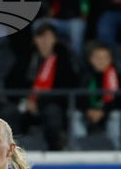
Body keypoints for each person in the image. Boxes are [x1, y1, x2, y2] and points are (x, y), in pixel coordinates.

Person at [6, 24, 78, 152]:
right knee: (7, 113)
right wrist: (24, 101)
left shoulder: (64, 59)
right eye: (40, 37)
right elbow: (11, 84)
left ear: (55, 39)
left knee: (53, 113)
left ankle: (55, 152)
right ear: (35, 40)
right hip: (26, 103)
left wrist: (39, 103)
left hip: (51, 104)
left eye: (48, 37)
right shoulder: (26, 57)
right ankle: (12, 153)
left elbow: (65, 89)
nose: (44, 41)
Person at [73, 42, 121, 150]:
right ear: (91, 59)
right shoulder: (83, 75)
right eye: (98, 57)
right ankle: (79, 151)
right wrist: (88, 110)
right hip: (88, 114)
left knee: (116, 115)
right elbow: (78, 98)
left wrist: (103, 111)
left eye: (105, 57)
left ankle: (115, 151)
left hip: (108, 113)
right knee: (75, 115)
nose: (101, 61)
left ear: (110, 59)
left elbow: (120, 101)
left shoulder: (117, 77)